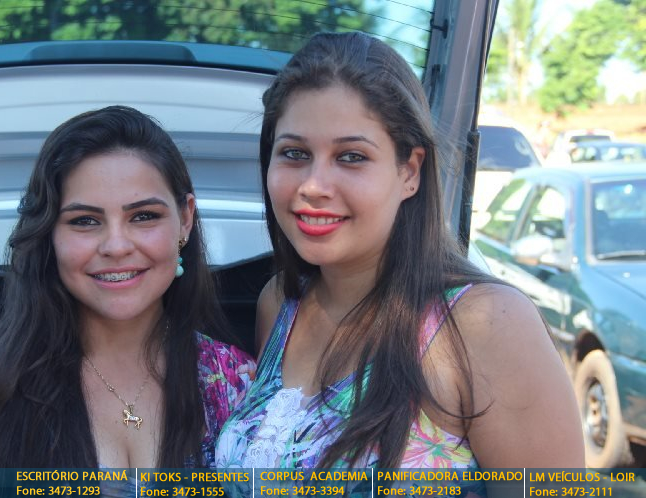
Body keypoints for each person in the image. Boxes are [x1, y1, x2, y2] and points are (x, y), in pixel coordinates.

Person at [216, 32, 583, 472]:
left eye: (351, 157)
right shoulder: (279, 304)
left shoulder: (486, 325)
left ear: (409, 171)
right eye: (294, 153)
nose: (313, 185)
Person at [0, 106, 252, 471]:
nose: (116, 246)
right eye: (85, 221)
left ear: (185, 220)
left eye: (143, 216)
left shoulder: (239, 383)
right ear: (49, 234)